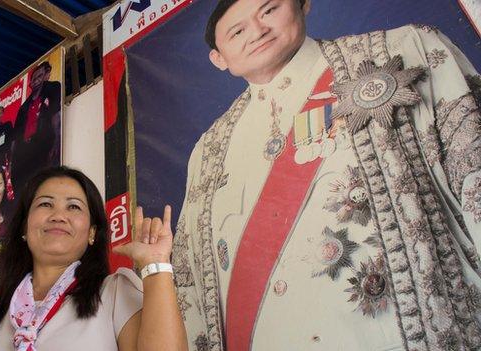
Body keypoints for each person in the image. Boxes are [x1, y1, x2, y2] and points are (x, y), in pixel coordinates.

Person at [171, 0, 481, 350]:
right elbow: (191, 282)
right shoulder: (208, 152)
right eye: (237, 30)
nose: (257, 31)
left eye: (269, 10)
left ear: (303, 5)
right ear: (219, 59)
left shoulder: (400, 50)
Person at [0, 166, 187, 351]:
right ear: (24, 228)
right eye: (46, 204)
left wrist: (155, 265)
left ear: (92, 233)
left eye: (74, 207)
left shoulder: (114, 294)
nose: (58, 216)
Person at [10, 62, 61, 196]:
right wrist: (12, 165)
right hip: (25, 154)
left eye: (40, 76)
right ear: (30, 83)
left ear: (47, 75)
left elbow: (57, 115)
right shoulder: (23, 108)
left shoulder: (54, 88)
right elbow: (15, 139)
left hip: (43, 147)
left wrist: (56, 143)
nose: (37, 80)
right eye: (34, 78)